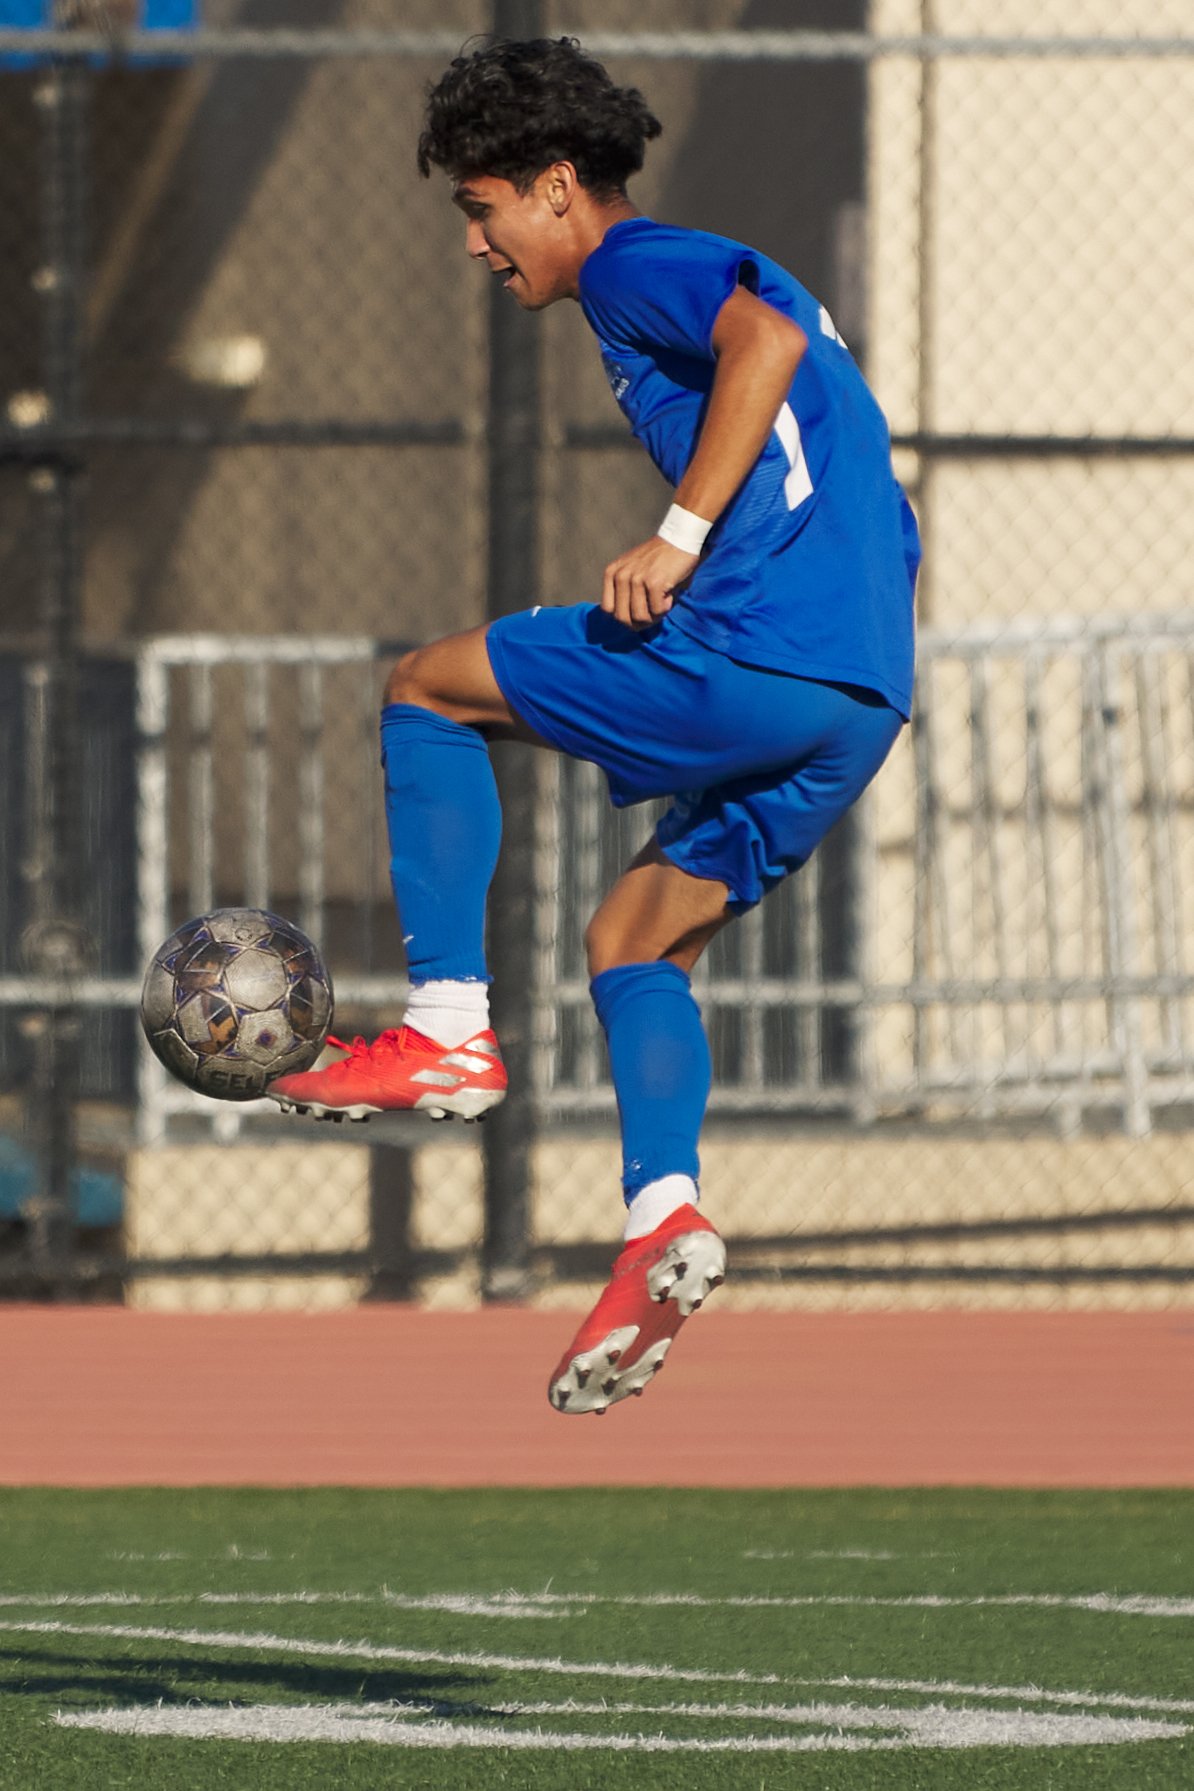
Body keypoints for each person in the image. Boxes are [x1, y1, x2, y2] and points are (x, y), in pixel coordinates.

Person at [270, 36, 919, 1416]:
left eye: (480, 206)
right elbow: (853, 463)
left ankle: (447, 1027)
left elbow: (767, 343)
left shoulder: (635, 264)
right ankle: (660, 1224)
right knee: (631, 941)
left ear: (556, 187)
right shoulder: (678, 275)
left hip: (751, 651)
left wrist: (680, 540)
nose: (477, 243)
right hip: (854, 699)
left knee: (424, 687)